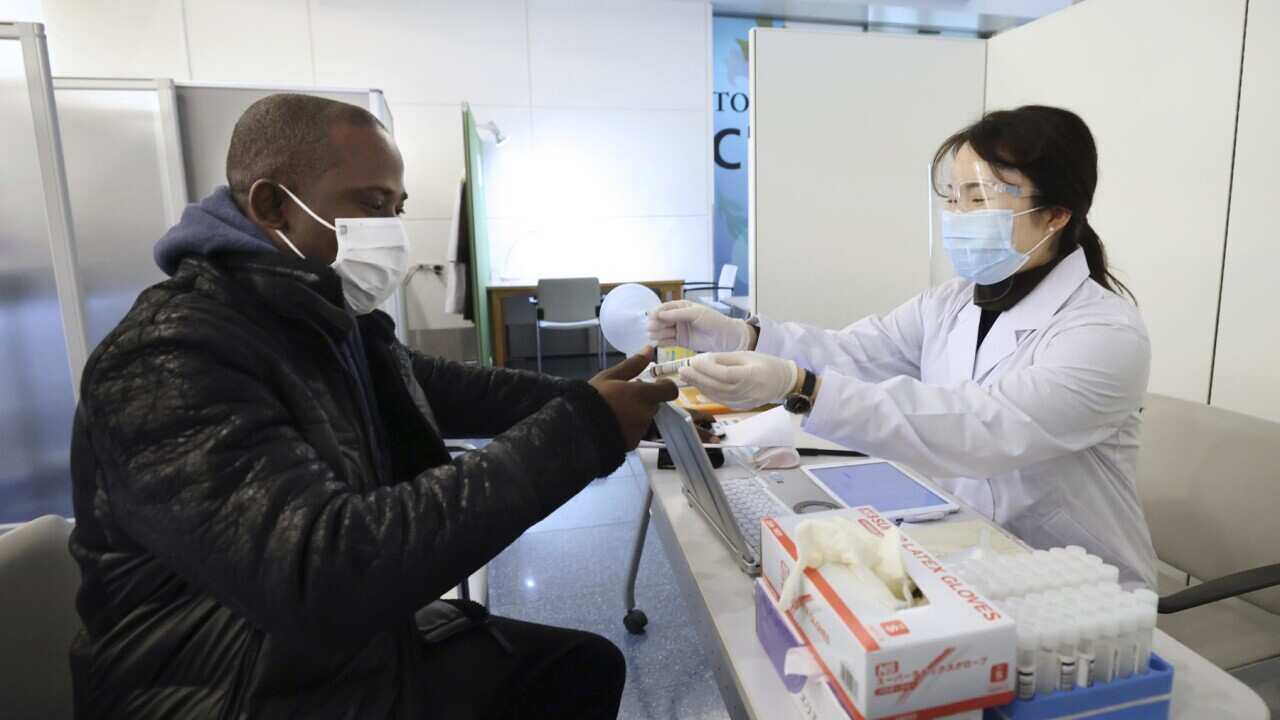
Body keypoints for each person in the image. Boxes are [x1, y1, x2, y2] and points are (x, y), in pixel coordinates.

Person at [68, 93, 677, 719]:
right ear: (273, 205)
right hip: (218, 680)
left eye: (397, 208)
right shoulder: (167, 355)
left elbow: (437, 387)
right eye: (371, 204)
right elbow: (322, 572)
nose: (391, 231)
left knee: (580, 669)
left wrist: (593, 397)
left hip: (303, 652)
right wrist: (584, 429)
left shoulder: (320, 317)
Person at [648, 106, 1157, 589]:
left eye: (979, 198)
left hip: (1074, 579)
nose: (957, 213)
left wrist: (800, 386)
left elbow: (982, 428)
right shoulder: (951, 303)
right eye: (953, 196)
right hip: (966, 549)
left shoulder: (1105, 334)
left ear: (1055, 215)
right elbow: (854, 352)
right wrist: (743, 337)